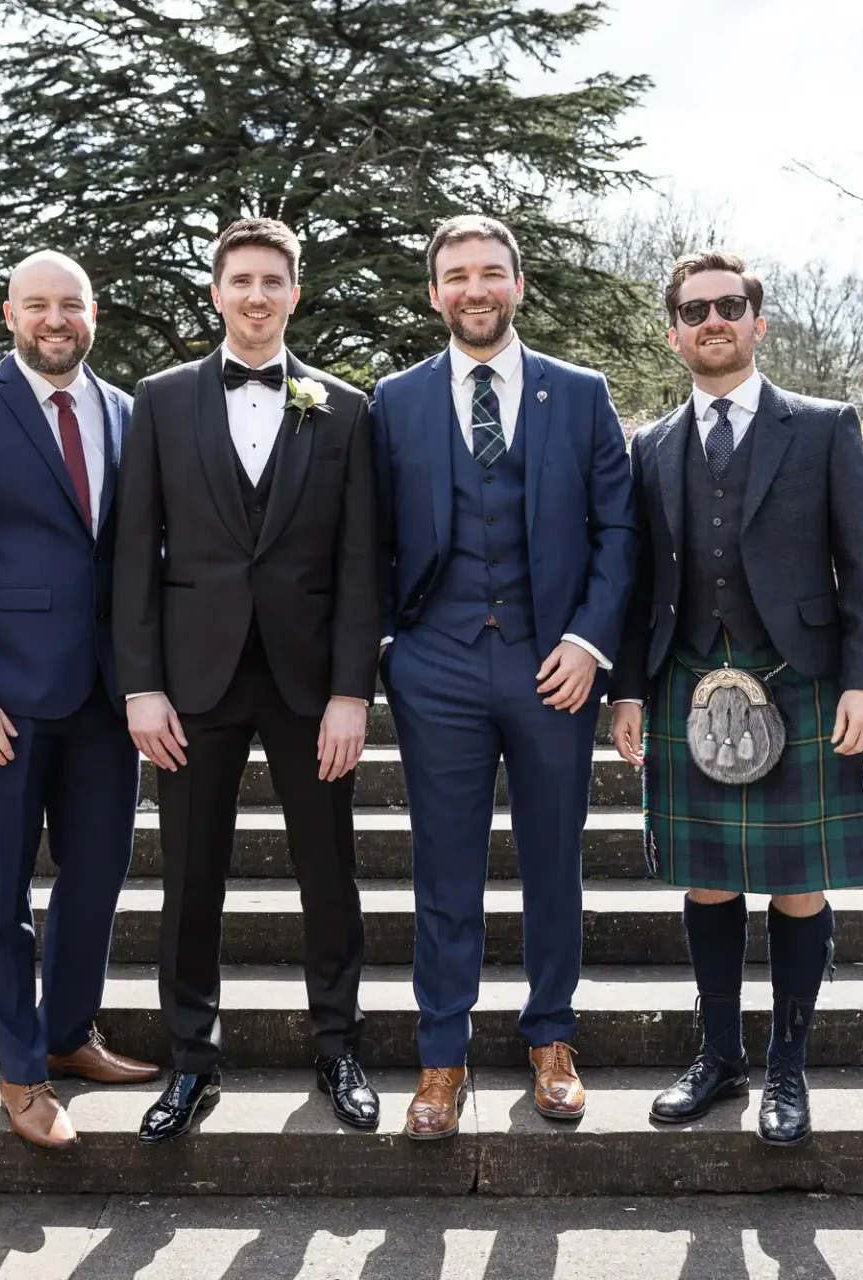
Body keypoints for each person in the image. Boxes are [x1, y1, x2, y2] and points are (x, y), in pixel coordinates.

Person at [609, 249, 863, 1147]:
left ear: (757, 321)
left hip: (798, 681)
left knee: (798, 886)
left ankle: (788, 1066)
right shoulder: (651, 443)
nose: (713, 321)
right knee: (705, 881)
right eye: (694, 310)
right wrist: (626, 692)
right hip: (686, 681)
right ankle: (717, 1054)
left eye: (729, 306)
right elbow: (636, 579)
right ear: (674, 334)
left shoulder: (821, 426)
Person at [112, 217, 381, 1144]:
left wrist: (354, 691)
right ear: (216, 291)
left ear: (294, 294)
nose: (257, 297)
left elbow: (361, 564)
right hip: (192, 682)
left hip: (313, 687)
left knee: (329, 875)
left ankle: (338, 1048)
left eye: (274, 281)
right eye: (242, 281)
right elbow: (132, 557)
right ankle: (192, 1061)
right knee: (189, 879)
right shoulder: (160, 398)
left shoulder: (345, 407)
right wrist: (140, 685)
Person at [371, 214, 637, 1141]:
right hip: (435, 663)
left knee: (553, 862)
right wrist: (384, 648)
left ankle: (552, 1041)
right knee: (444, 871)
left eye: (490, 273)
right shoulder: (394, 400)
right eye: (456, 275)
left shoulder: (582, 393)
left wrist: (590, 643)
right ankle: (441, 1058)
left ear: (517, 285)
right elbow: (369, 537)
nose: (473, 290)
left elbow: (620, 533)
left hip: (550, 663)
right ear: (435, 291)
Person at [0, 250, 157, 1151]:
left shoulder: (130, 412)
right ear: (11, 314)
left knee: (97, 876)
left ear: (94, 314)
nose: (57, 321)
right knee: (1, 892)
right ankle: (21, 1070)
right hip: (5, 698)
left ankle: (69, 1034)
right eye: (39, 306)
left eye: (73, 306)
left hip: (107, 696)